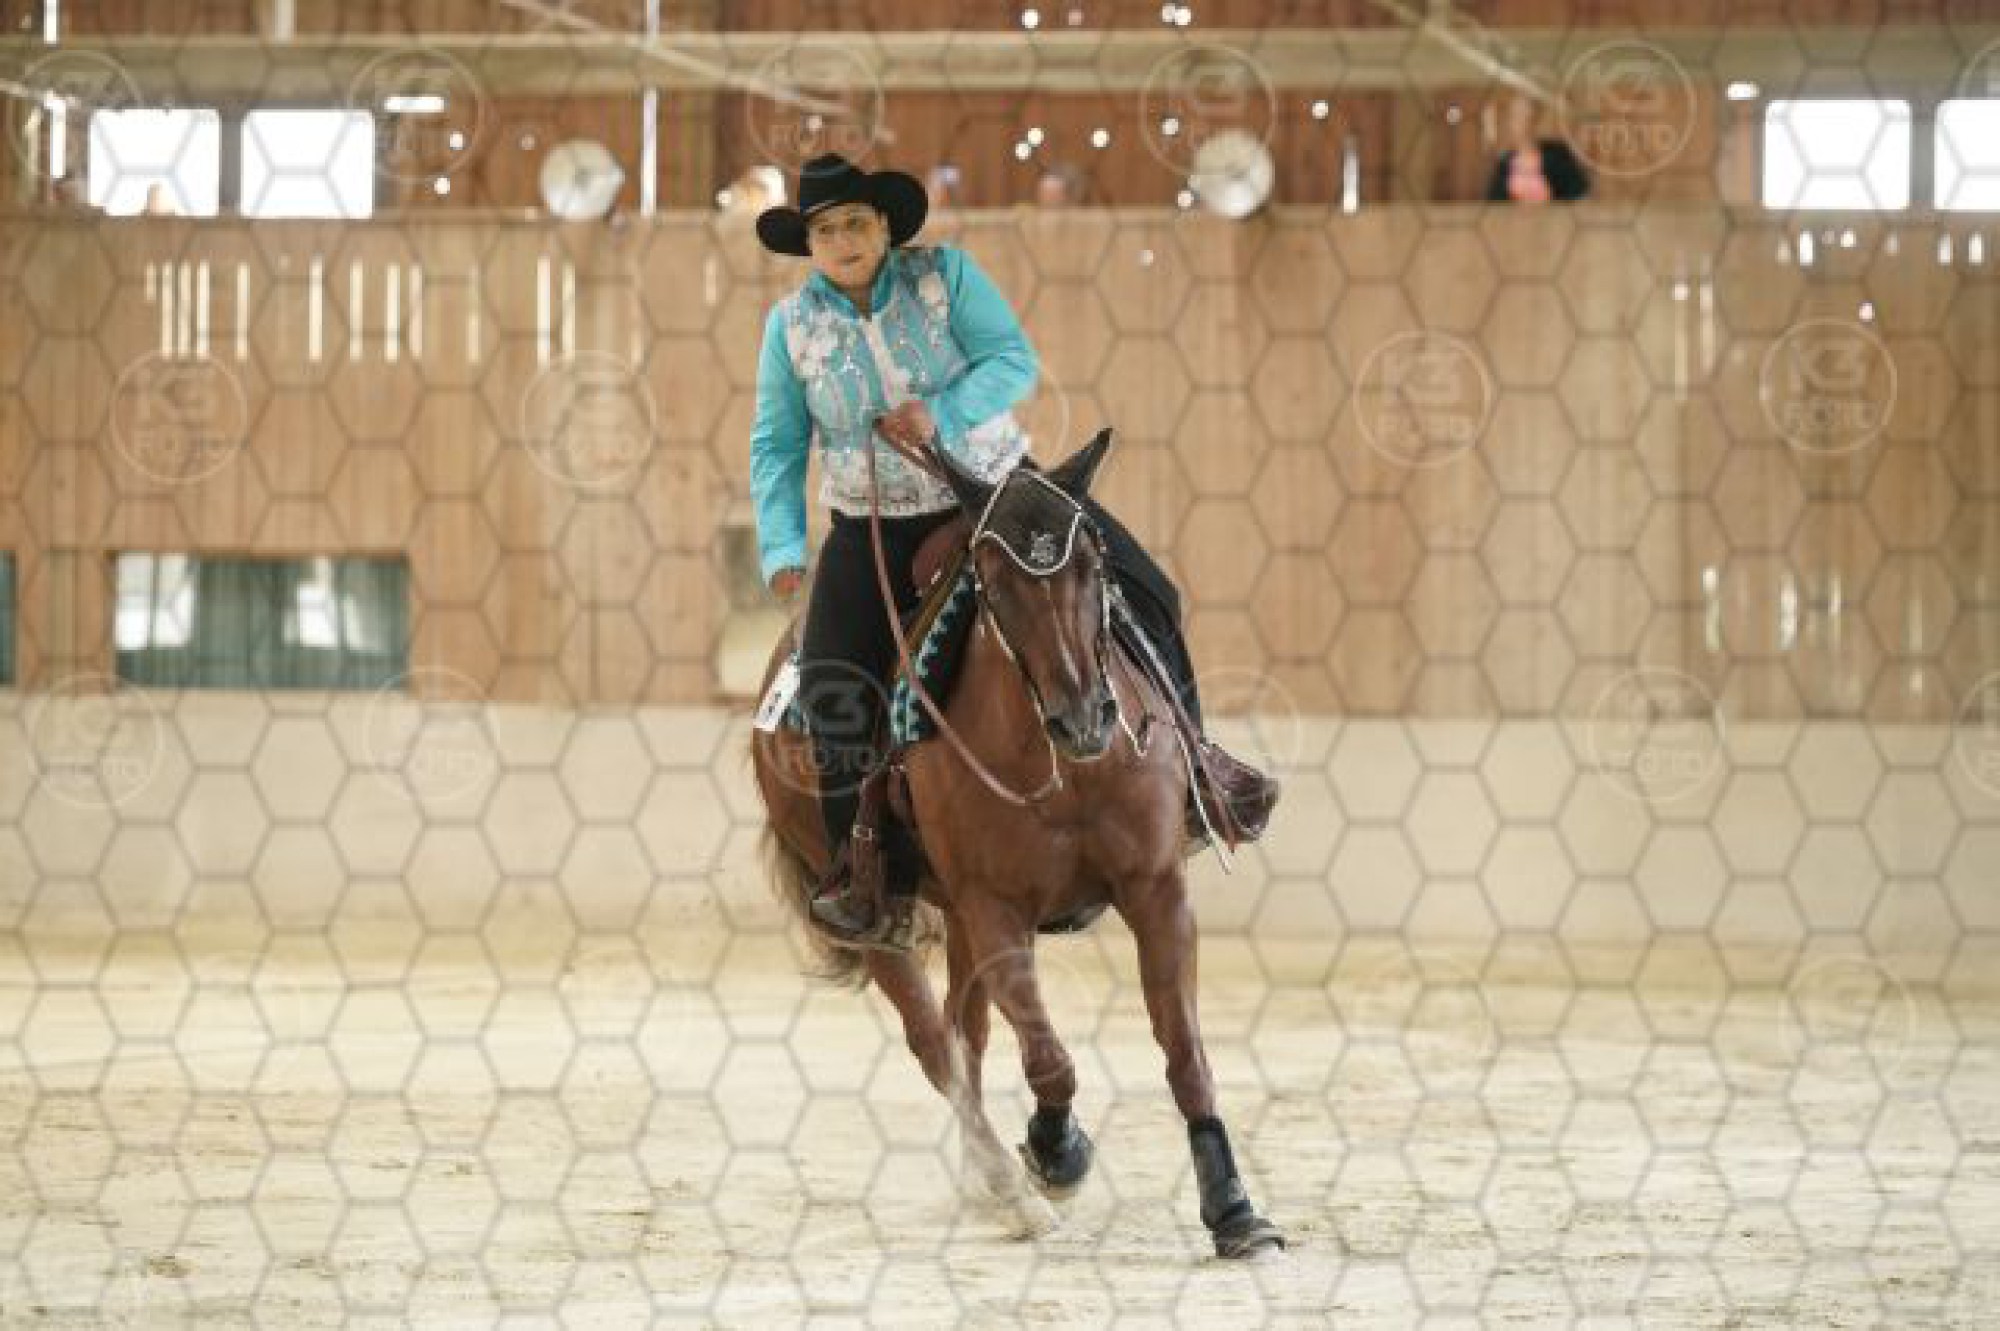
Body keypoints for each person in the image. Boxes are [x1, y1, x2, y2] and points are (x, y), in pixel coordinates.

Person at [749, 152, 1278, 948]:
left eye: (856, 222)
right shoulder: (789, 328)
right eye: (826, 231)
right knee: (832, 682)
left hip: (996, 489)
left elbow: (1013, 362)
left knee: (1149, 590)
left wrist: (941, 411)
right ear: (809, 245)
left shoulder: (945, 277)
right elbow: (777, 444)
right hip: (872, 522)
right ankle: (859, 865)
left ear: (885, 226)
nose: (844, 241)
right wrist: (783, 546)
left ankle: (1202, 771)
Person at [1483, 91, 1591, 203]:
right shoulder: (1504, 163)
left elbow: (1580, 194)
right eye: (1517, 116)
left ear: (1536, 121)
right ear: (1511, 122)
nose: (1523, 123)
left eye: (1528, 116)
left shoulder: (1557, 154)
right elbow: (1494, 203)